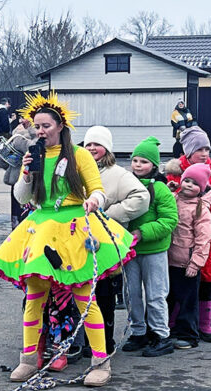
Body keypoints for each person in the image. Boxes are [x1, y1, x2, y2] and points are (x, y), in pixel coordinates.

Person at [0, 92, 135, 386]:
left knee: (84, 298)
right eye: (37, 126)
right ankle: (28, 359)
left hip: (74, 228)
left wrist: (94, 201)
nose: (40, 131)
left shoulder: (79, 155)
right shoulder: (34, 155)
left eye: (45, 126)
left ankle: (100, 362)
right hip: (40, 229)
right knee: (34, 298)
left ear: (60, 126)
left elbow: (97, 190)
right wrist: (26, 173)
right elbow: (22, 197)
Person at [82, 126, 149, 370]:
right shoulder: (77, 169)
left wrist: (109, 215)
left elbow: (141, 197)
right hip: (78, 241)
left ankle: (105, 343)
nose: (91, 149)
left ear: (107, 148)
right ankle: (84, 342)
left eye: (96, 145)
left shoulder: (117, 174)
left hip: (106, 243)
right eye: (88, 144)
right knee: (80, 291)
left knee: (104, 295)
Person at [165, 126, 211, 343]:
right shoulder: (175, 173)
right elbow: (168, 200)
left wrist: (203, 211)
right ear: (188, 151)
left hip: (210, 233)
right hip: (181, 239)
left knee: (209, 280)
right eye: (199, 149)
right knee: (180, 282)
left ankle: (205, 322)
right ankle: (176, 322)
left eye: (207, 148)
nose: (204, 153)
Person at [120, 137, 179, 357]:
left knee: (155, 295)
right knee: (132, 293)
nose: (137, 165)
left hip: (153, 250)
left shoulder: (160, 189)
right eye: (135, 160)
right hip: (130, 251)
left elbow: (169, 220)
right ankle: (138, 332)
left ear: (153, 165)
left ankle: (161, 335)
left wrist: (142, 233)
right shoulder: (126, 186)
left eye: (143, 161)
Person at [166, 163, 211, 349]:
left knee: (187, 301)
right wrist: (169, 189)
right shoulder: (174, 199)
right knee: (169, 297)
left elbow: (204, 238)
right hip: (168, 259)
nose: (188, 185)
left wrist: (196, 263)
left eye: (194, 183)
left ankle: (189, 334)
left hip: (187, 263)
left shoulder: (201, 209)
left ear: (201, 189)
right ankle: (168, 329)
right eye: (186, 180)